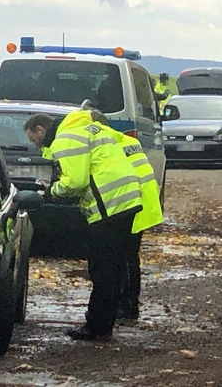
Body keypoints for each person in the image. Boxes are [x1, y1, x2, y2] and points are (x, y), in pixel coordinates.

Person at [23, 111, 142, 341]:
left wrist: (49, 193)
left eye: (33, 138)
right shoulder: (84, 129)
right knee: (114, 267)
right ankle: (104, 322)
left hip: (109, 205)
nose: (35, 145)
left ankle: (96, 327)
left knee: (102, 269)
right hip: (125, 199)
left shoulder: (65, 138)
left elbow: (75, 182)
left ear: (40, 129)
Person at [89, 110, 163, 321]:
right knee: (129, 257)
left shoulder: (108, 145)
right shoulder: (123, 140)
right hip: (143, 200)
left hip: (132, 203)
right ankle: (127, 305)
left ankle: (128, 306)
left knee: (126, 259)